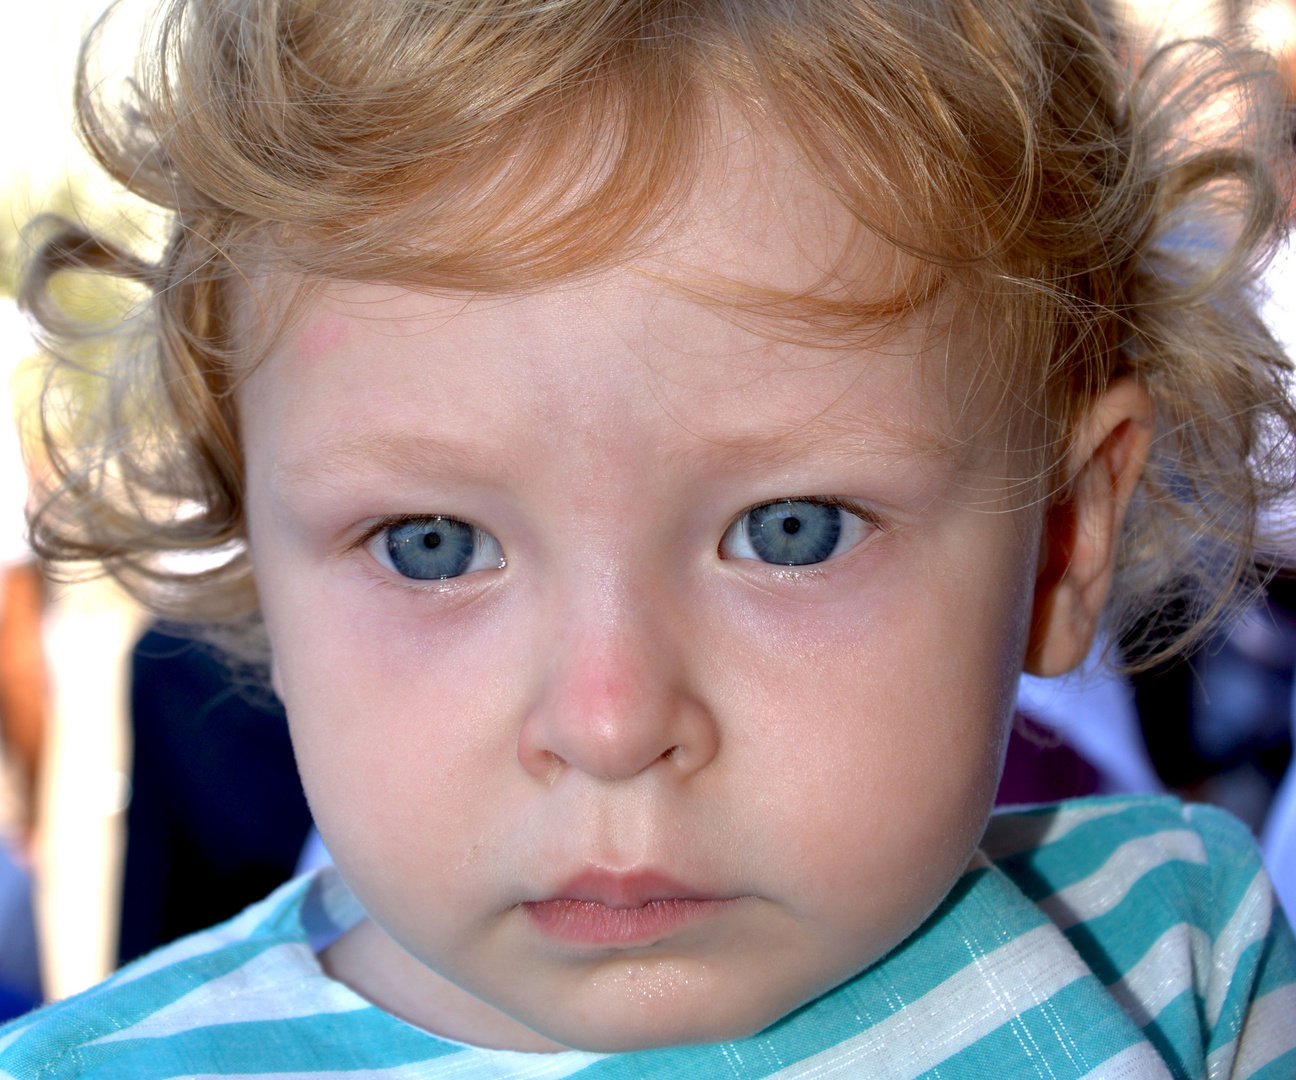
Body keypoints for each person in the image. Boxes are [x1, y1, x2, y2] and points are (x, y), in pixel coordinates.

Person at [1, 0, 1294, 1074]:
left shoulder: (1181, 953)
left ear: (1064, 536)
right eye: (432, 545)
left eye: (792, 532)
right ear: (259, 566)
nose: (610, 723)